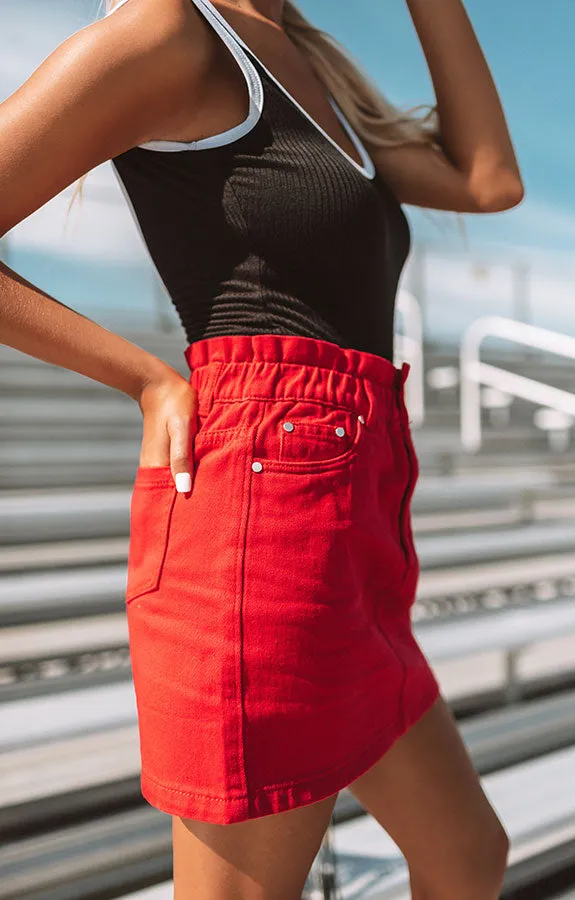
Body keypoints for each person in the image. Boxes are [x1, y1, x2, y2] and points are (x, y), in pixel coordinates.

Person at [0, 0, 523, 896]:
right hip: (258, 518)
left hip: (359, 527)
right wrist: (146, 378)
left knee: (469, 855)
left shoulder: (312, 66)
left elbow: (487, 180)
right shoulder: (172, 31)